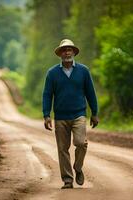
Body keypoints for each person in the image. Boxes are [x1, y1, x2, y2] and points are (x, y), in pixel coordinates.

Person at [42, 39, 99, 189]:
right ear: (60, 53)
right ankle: (68, 180)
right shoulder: (52, 73)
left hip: (79, 115)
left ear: (74, 52)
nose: (67, 52)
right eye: (64, 50)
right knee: (62, 149)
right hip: (60, 117)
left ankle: (78, 167)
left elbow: (90, 93)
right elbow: (47, 95)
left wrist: (94, 112)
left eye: (69, 49)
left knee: (81, 143)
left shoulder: (83, 71)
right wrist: (46, 115)